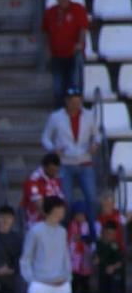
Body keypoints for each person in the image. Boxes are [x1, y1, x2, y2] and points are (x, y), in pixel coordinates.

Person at [42, 90, 101, 223]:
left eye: (78, 101)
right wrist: (53, 149)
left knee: (92, 199)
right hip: (64, 162)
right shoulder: (55, 117)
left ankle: (92, 232)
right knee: (65, 200)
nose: (75, 104)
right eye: (72, 101)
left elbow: (97, 135)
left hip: (85, 160)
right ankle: (66, 231)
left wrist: (95, 144)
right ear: (66, 101)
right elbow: (45, 138)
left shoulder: (89, 115)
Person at [42, 0, 89, 108]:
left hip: (73, 55)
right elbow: (46, 32)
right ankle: (60, 114)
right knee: (58, 89)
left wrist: (79, 44)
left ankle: (75, 114)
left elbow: (83, 29)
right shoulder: (50, 12)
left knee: (74, 87)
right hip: (57, 56)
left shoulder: (78, 9)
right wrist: (48, 51)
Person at [22, 197, 73, 293]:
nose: (63, 212)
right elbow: (26, 257)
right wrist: (32, 280)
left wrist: (68, 277)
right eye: (60, 208)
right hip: (40, 285)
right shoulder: (35, 231)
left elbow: (65, 255)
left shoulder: (62, 231)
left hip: (61, 285)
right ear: (54, 210)